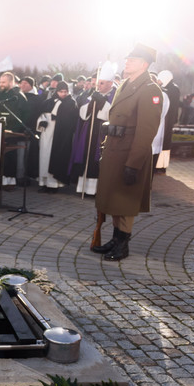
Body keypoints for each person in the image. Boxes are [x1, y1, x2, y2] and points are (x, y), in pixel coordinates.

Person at [93, 43, 163, 261]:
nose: (127, 62)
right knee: (114, 198)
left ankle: (123, 244)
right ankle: (115, 240)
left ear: (144, 64)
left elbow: (146, 131)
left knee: (125, 201)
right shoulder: (125, 84)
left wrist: (133, 163)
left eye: (132, 60)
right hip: (115, 150)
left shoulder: (150, 90)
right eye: (127, 59)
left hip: (129, 153)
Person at [68, 66, 117, 196]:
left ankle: (95, 190)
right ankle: (83, 188)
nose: (98, 86)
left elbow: (112, 114)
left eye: (102, 83)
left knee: (96, 159)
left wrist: (103, 103)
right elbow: (83, 113)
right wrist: (91, 104)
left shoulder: (115, 96)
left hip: (102, 132)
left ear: (110, 83)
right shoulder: (93, 94)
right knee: (86, 156)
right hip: (88, 130)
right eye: (98, 83)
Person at [35, 82, 76, 191]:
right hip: (46, 133)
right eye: (61, 91)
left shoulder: (71, 103)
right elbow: (41, 114)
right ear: (57, 91)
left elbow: (71, 120)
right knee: (44, 156)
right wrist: (42, 121)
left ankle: (53, 185)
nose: (63, 94)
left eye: (65, 92)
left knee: (56, 158)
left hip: (60, 136)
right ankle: (44, 183)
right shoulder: (48, 102)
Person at [156, 70, 180, 173]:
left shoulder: (173, 89)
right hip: (163, 119)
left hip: (167, 120)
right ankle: (157, 164)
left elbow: (173, 107)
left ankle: (162, 166)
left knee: (165, 143)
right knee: (160, 142)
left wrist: (171, 120)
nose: (159, 81)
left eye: (160, 79)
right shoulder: (164, 87)